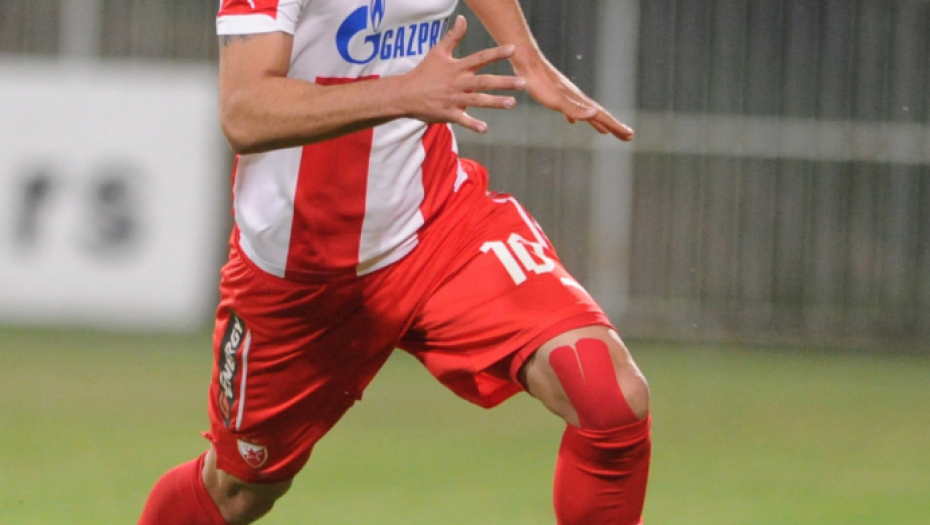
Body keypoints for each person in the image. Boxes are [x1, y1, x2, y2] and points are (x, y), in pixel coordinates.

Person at [138, 0, 651, 523]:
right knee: (238, 490)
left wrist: (529, 60)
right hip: (298, 273)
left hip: (436, 227)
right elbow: (244, 111)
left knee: (606, 393)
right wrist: (404, 92)